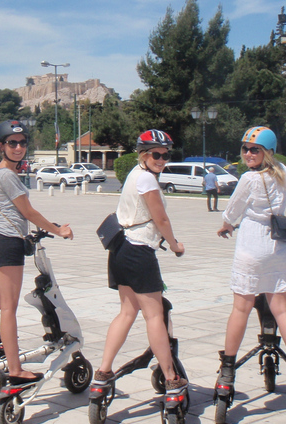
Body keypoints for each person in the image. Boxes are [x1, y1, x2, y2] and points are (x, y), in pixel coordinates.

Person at [0, 120, 73, 385]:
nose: (18, 147)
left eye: (22, 143)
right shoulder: (7, 175)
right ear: (1, 146)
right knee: (8, 309)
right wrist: (58, 230)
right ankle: (15, 370)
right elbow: (28, 213)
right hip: (8, 244)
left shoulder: (0, 172)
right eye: (12, 143)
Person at [215, 126, 286, 399]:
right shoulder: (285, 173)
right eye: (245, 148)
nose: (248, 154)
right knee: (281, 310)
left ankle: (227, 371)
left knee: (241, 308)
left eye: (254, 149)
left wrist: (226, 225)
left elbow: (233, 209)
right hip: (276, 245)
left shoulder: (249, 178)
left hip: (251, 243)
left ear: (267, 152)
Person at [94, 129, 187, 393]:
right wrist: (174, 245)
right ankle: (170, 377)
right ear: (143, 154)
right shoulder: (146, 180)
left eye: (165, 155)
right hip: (139, 252)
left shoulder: (134, 174)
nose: (161, 159)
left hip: (120, 249)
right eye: (156, 154)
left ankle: (103, 371)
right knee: (154, 315)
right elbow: (161, 219)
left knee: (127, 312)